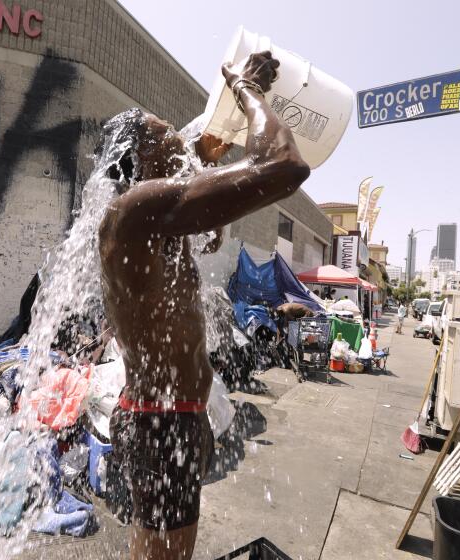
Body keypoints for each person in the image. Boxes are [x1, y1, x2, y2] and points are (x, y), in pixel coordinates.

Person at [99, 51, 309, 560]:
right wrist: (245, 90)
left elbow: (204, 207)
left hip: (168, 416)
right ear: (145, 155)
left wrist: (206, 168)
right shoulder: (137, 209)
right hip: (162, 420)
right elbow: (285, 165)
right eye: (166, 130)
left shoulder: (147, 219)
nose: (181, 136)